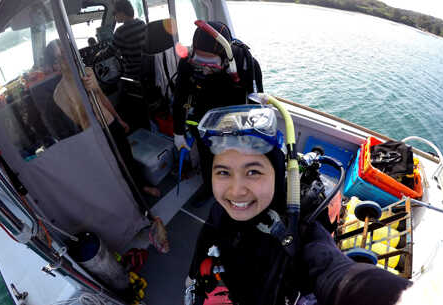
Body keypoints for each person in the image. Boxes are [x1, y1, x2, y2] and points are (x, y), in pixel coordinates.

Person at [184, 104, 412, 305]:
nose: (236, 190)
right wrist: (193, 277)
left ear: (277, 174)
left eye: (253, 171)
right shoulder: (220, 209)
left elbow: (336, 273)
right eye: (223, 172)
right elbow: (207, 235)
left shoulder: (300, 229)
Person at [44, 39, 160, 198]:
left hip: (111, 122)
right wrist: (83, 94)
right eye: (61, 57)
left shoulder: (88, 72)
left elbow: (103, 99)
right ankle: (127, 196)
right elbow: (79, 120)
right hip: (94, 133)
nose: (67, 59)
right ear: (55, 65)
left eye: (68, 53)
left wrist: (118, 119)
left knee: (127, 157)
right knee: (111, 166)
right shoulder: (59, 94)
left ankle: (141, 186)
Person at [173, 21, 263, 202]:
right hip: (202, 120)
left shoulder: (246, 64)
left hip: (234, 124)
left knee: (233, 162)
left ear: (226, 59)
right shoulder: (187, 62)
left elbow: (257, 102)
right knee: (207, 158)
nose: (204, 70)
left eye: (211, 65)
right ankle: (209, 187)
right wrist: (178, 132)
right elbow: (180, 97)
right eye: (199, 62)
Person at [112, 0, 146, 80]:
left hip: (132, 73)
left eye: (114, 13)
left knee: (118, 85)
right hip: (145, 68)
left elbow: (110, 52)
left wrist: (98, 55)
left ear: (121, 13)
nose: (114, 15)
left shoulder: (120, 31)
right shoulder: (141, 23)